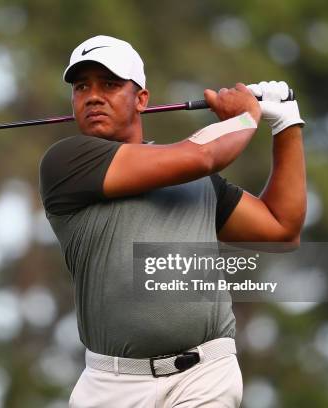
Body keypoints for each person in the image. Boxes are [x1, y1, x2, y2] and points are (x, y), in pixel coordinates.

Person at [38, 35, 306, 408]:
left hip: (204, 376)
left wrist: (287, 125)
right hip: (110, 385)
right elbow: (202, 155)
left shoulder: (198, 181)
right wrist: (245, 115)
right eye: (82, 86)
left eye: (110, 85)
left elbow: (281, 229)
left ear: (142, 99)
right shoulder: (66, 163)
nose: (93, 96)